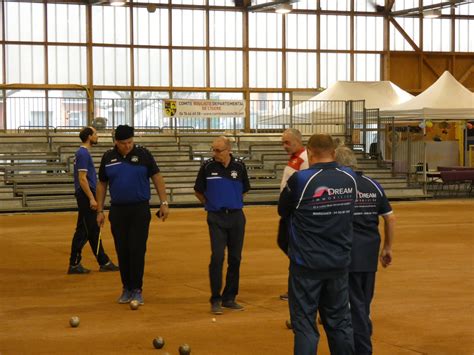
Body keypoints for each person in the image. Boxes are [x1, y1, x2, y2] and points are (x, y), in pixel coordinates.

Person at [278, 134, 357, 355]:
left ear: (310, 153)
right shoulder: (349, 177)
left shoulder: (301, 179)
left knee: (304, 325)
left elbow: (283, 211)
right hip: (339, 263)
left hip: (306, 264)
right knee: (340, 323)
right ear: (334, 153)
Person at [96, 125, 169, 305]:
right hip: (118, 210)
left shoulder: (144, 154)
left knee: (137, 249)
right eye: (123, 143)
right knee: (122, 250)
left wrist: (164, 202)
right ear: (116, 142)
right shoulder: (108, 157)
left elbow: (157, 177)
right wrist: (99, 210)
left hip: (139, 209)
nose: (128, 146)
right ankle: (126, 288)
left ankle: (137, 289)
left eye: (130, 142)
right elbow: (102, 184)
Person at [335, 146, 395, 355]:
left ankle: (362, 348)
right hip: (369, 253)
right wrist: (387, 247)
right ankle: (361, 334)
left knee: (355, 306)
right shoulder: (373, 185)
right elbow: (389, 217)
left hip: (347, 253)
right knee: (364, 302)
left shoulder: (340, 186)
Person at [194, 136, 250, 315]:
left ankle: (229, 297)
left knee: (235, 258)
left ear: (228, 150)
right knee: (217, 257)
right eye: (213, 149)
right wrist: (209, 205)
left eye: (218, 150)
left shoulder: (239, 167)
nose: (214, 153)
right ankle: (215, 299)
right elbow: (198, 190)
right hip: (216, 217)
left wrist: (232, 202)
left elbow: (244, 189)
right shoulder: (207, 167)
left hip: (236, 217)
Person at [68, 126, 119, 274]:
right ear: (89, 137)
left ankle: (102, 261)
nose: (97, 136)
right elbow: (82, 179)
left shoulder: (82, 153)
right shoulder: (83, 153)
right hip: (85, 195)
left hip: (86, 194)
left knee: (89, 229)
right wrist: (91, 198)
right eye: (95, 134)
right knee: (85, 230)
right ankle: (76, 263)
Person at [278, 128, 309, 300]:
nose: (284, 146)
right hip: (289, 212)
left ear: (298, 141)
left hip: (295, 213)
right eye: (283, 142)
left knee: (293, 248)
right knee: (285, 244)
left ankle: (298, 287)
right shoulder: (295, 158)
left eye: (287, 142)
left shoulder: (304, 159)